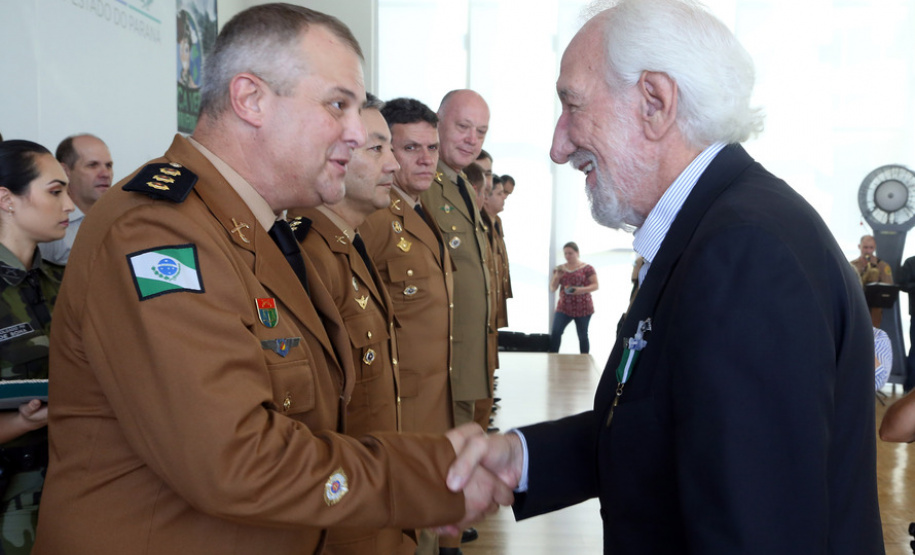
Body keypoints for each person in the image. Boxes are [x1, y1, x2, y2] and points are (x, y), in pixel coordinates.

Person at [33, 6, 511, 554]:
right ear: (251, 99)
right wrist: (425, 478)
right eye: (338, 105)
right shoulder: (157, 231)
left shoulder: (253, 229)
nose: (357, 135)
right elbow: (234, 459)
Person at [445, 1, 883, 553]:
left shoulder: (744, 253)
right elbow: (667, 427)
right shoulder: (715, 227)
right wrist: (523, 457)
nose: (558, 147)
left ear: (655, 101)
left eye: (572, 106)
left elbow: (756, 530)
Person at [290, 94, 407, 554]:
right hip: (343, 511)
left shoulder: (347, 243)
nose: (394, 165)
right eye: (377, 149)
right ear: (336, 156)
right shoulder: (309, 254)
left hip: (373, 496)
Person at [361, 96, 458, 555]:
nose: (425, 159)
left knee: (425, 525)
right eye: (410, 148)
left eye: (433, 148)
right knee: (403, 528)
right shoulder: (378, 218)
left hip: (434, 400)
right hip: (401, 406)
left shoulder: (421, 211)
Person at [0, 139, 74, 553]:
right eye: (54, 191)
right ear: (7, 199)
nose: (68, 205)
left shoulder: (68, 283)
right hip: (10, 505)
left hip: (72, 492)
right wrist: (23, 423)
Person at [39, 134, 113, 264]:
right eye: (93, 165)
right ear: (64, 170)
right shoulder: (47, 225)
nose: (105, 174)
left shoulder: (120, 219)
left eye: (108, 165)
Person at [548, 242, 597, 354]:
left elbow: (595, 285)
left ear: (577, 253)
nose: (567, 256)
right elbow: (552, 288)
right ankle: (552, 356)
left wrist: (579, 290)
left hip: (583, 308)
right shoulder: (560, 269)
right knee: (556, 331)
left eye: (570, 253)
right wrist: (557, 276)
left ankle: (585, 359)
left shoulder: (587, 268)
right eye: (565, 253)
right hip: (564, 307)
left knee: (583, 335)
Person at [850, 234, 893, 327]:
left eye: (871, 248)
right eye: (865, 247)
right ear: (859, 246)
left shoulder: (882, 265)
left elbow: (888, 287)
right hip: (856, 306)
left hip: (874, 308)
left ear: (875, 248)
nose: (868, 251)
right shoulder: (851, 265)